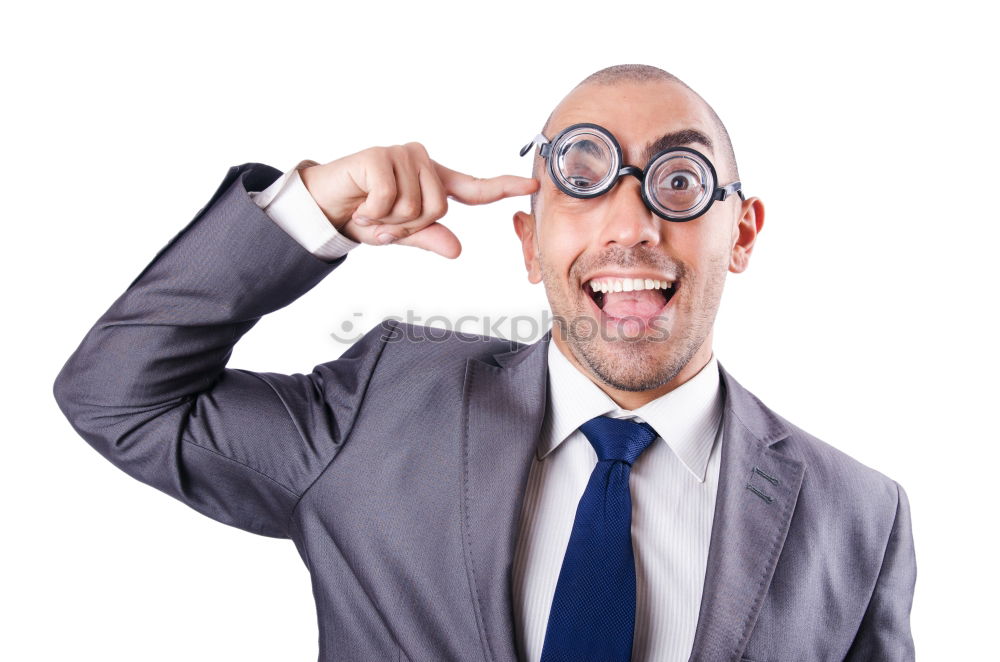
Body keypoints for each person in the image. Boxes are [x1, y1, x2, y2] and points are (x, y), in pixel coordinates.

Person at [52, 64, 916, 661]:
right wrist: (310, 210)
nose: (632, 224)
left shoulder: (857, 518)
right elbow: (118, 398)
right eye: (583, 174)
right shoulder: (386, 406)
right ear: (528, 243)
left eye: (680, 182)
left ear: (745, 233)